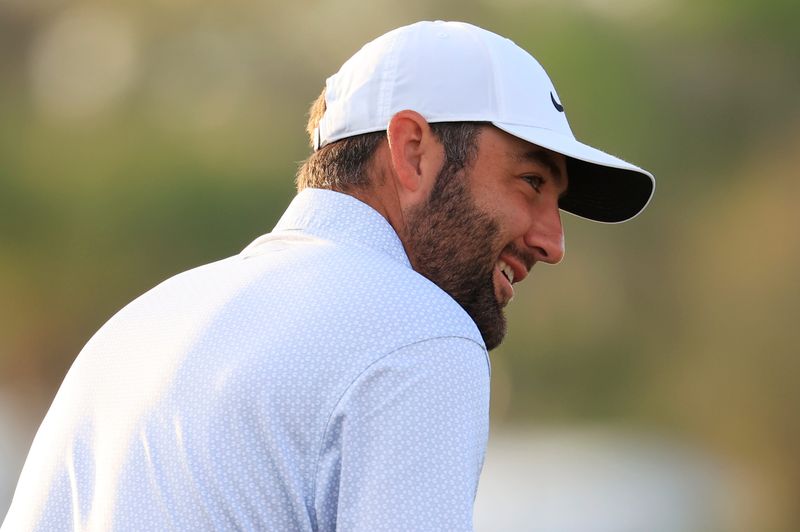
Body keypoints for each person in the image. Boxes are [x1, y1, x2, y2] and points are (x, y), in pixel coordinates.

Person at [2, 20, 654, 532]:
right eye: (531, 181)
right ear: (412, 151)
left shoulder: (132, 331)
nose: (553, 240)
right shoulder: (421, 334)